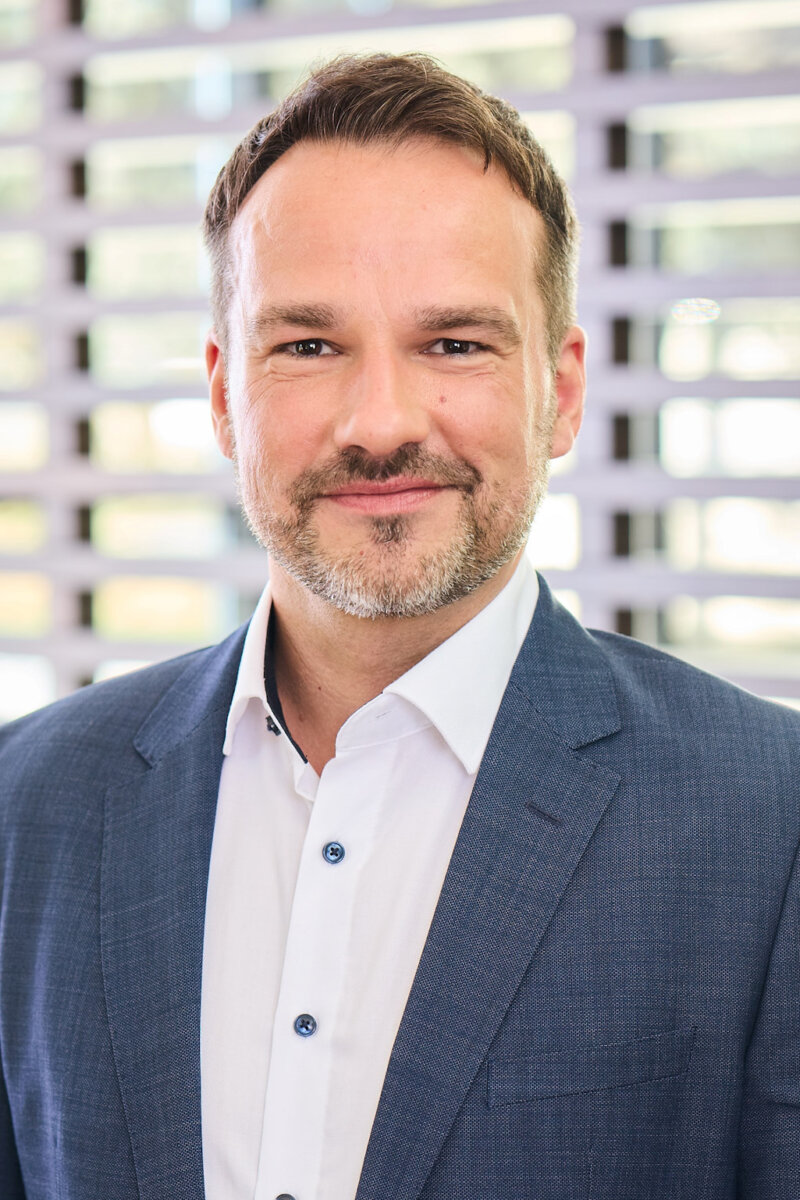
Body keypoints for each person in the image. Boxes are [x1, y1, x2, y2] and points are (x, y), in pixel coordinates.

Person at [1, 51, 799, 1200]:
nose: (379, 423)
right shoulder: (26, 806)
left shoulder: (769, 826)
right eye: (308, 346)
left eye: (455, 343)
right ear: (223, 396)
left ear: (561, 391)